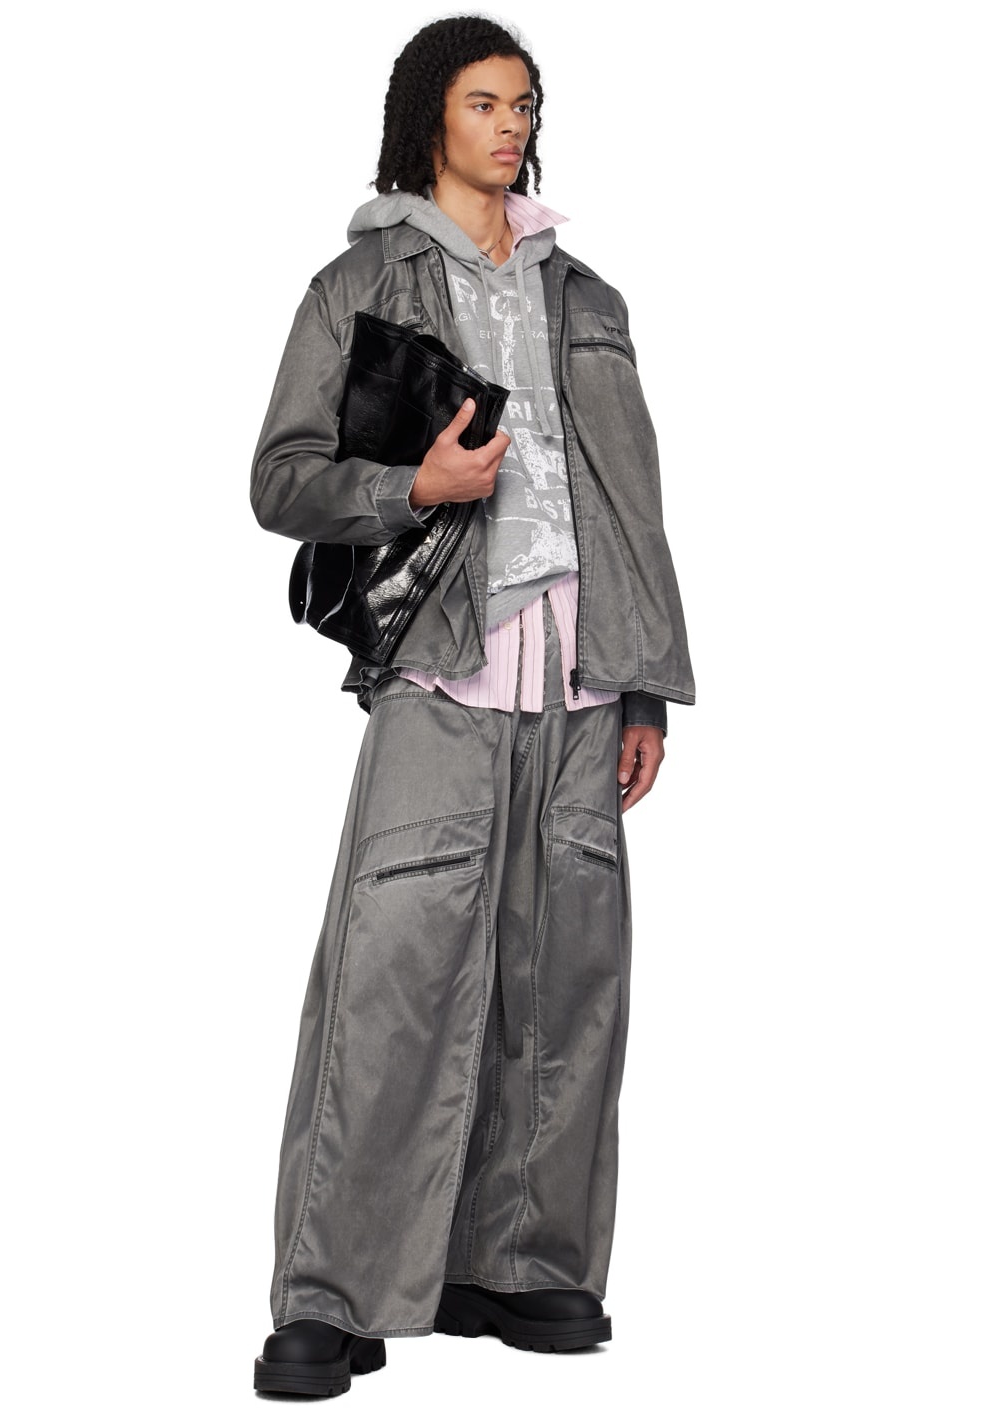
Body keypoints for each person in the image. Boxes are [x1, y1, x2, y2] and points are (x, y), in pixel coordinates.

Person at [248, 15, 695, 1398]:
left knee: (565, 976)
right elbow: (281, 479)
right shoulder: (358, 283)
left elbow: (633, 502)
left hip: (581, 671)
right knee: (394, 975)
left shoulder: (588, 296)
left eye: (525, 104)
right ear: (428, 118)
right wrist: (415, 488)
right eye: (485, 102)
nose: (511, 125)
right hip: (444, 662)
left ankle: (520, 1263)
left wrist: (646, 683)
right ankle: (332, 1296)